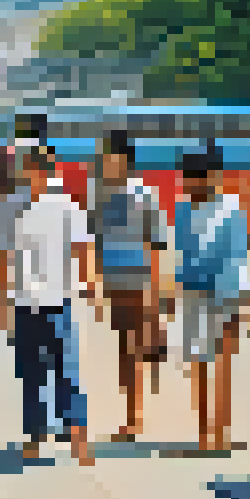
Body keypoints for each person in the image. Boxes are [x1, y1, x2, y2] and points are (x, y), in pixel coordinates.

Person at [0, 147, 96, 466]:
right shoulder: (8, 209)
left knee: (67, 374)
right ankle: (35, 440)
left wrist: (85, 283)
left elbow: (83, 247)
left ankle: (78, 441)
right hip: (25, 303)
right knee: (32, 375)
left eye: (34, 168)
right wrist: (3, 302)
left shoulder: (65, 206)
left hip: (58, 302)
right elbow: (1, 258)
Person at [91, 130, 168, 441]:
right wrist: (98, 285)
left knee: (136, 347)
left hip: (140, 280)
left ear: (125, 159)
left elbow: (157, 244)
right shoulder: (101, 196)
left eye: (111, 155)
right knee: (125, 349)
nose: (106, 161)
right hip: (115, 284)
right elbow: (95, 243)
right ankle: (131, 414)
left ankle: (134, 417)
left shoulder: (145, 195)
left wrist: (155, 291)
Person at [173, 147, 247, 455]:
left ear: (212, 176)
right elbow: (183, 254)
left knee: (222, 367)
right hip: (195, 293)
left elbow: (237, 256)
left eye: (197, 177)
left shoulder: (231, 208)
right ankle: (206, 432)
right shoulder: (183, 211)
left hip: (225, 294)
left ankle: (221, 431)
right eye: (188, 177)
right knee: (202, 365)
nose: (192, 183)